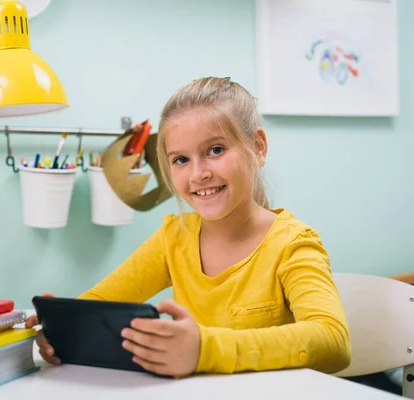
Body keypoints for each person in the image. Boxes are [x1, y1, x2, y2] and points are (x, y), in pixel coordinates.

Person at [25, 76, 352, 378]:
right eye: (181, 159)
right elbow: (102, 300)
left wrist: (204, 349)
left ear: (259, 147)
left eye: (215, 150)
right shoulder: (174, 237)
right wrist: (65, 322)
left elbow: (333, 341)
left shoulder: (293, 243)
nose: (198, 174)